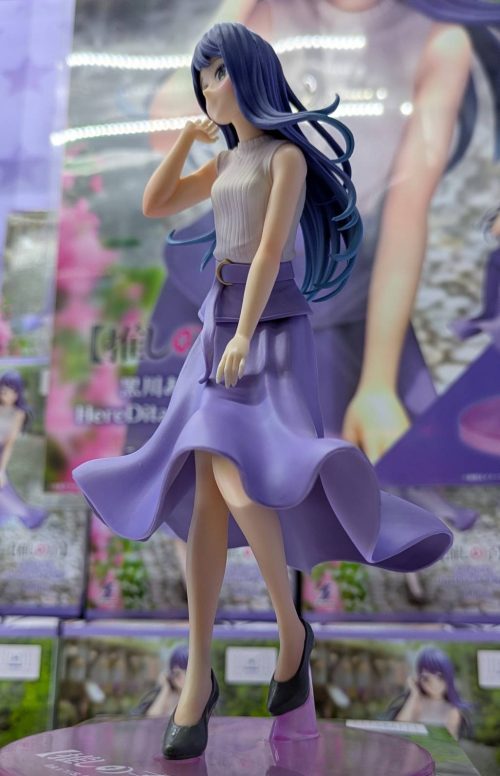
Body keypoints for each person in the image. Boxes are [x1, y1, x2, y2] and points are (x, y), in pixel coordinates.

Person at [72, 22, 452, 760]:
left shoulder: (284, 158)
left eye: (218, 73)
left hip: (268, 333)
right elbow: (156, 203)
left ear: (249, 73)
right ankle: (201, 672)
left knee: (237, 481)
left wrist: (245, 334)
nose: (209, 88)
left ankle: (287, 628)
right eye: (201, 77)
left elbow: (274, 249)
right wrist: (185, 143)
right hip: (217, 331)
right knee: (209, 494)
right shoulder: (227, 160)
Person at [386, 646, 472, 740]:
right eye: (426, 679)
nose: (434, 684)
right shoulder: (417, 703)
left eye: (440, 677)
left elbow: (449, 743)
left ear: (448, 677)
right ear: (419, 680)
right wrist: (414, 694)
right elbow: (399, 729)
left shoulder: (452, 710)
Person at [0, 371, 46, 529]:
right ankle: (27, 515)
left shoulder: (18, 413)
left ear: (17, 393)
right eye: (2, 390)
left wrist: (1, 470)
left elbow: (9, 444)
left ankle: (27, 515)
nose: (5, 394)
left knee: (3, 490)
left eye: (9, 391)